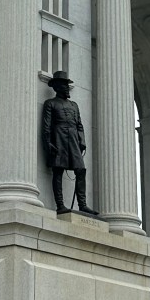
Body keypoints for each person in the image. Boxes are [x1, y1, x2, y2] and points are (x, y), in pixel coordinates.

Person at [42, 71, 97, 215]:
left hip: (73, 140)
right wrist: (48, 144)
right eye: (65, 85)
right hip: (59, 138)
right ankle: (60, 204)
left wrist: (82, 141)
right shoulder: (50, 103)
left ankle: (82, 204)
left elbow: (79, 124)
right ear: (57, 87)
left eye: (67, 85)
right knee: (58, 170)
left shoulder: (74, 105)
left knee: (81, 170)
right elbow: (46, 126)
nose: (67, 88)